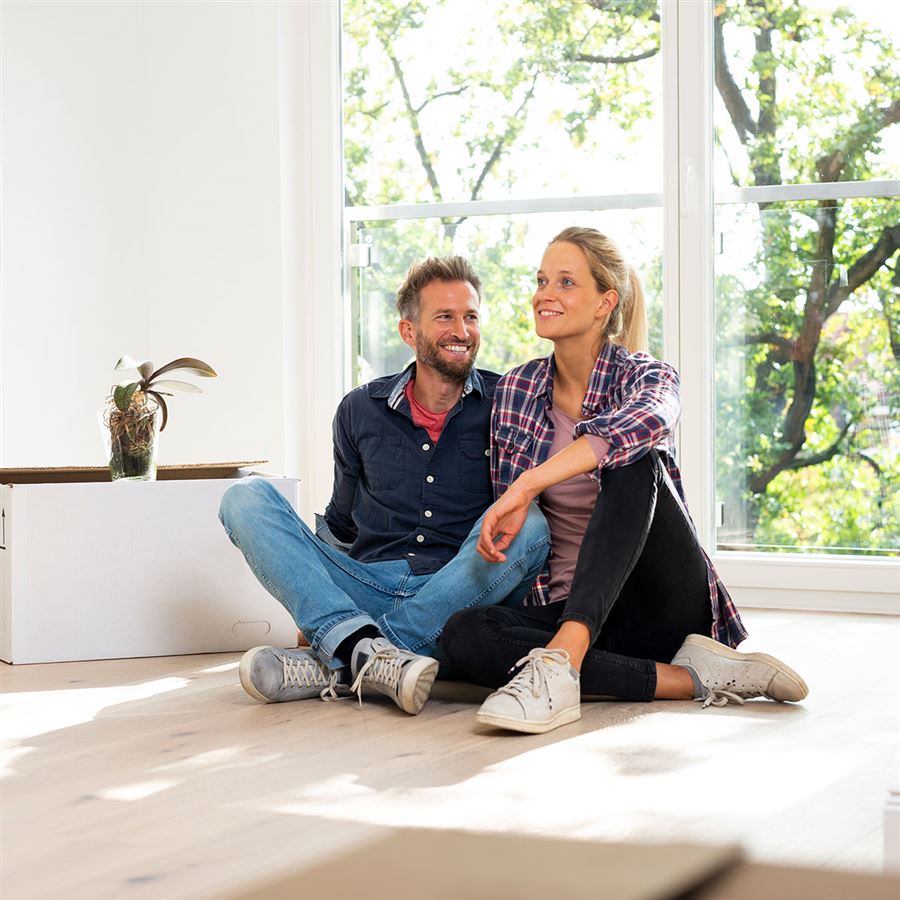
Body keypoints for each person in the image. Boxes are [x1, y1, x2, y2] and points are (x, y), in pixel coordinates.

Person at [440, 227, 808, 734]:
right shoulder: (517, 390)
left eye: (566, 282)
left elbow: (636, 429)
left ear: (603, 302)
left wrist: (526, 484)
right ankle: (690, 680)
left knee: (632, 458)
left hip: (659, 602)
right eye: (542, 279)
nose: (545, 293)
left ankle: (562, 660)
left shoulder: (649, 375)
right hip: (570, 605)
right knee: (464, 635)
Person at [218, 256, 549, 716]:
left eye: (471, 316)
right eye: (445, 317)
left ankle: (341, 657)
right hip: (369, 583)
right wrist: (310, 594)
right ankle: (374, 649)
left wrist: (323, 622)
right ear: (409, 332)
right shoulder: (359, 409)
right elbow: (341, 522)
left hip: (460, 591)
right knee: (244, 497)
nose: (462, 330)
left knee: (530, 521)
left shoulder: (506, 401)